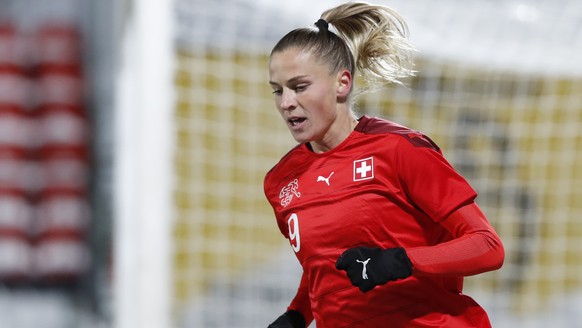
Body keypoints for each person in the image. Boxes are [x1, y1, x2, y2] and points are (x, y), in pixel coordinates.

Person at [264, 2, 505, 327]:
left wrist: (401, 261)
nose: (286, 102)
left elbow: (488, 246)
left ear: (342, 83)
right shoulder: (281, 181)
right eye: (278, 91)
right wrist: (296, 315)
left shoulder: (399, 150)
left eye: (300, 86)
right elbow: (325, 266)